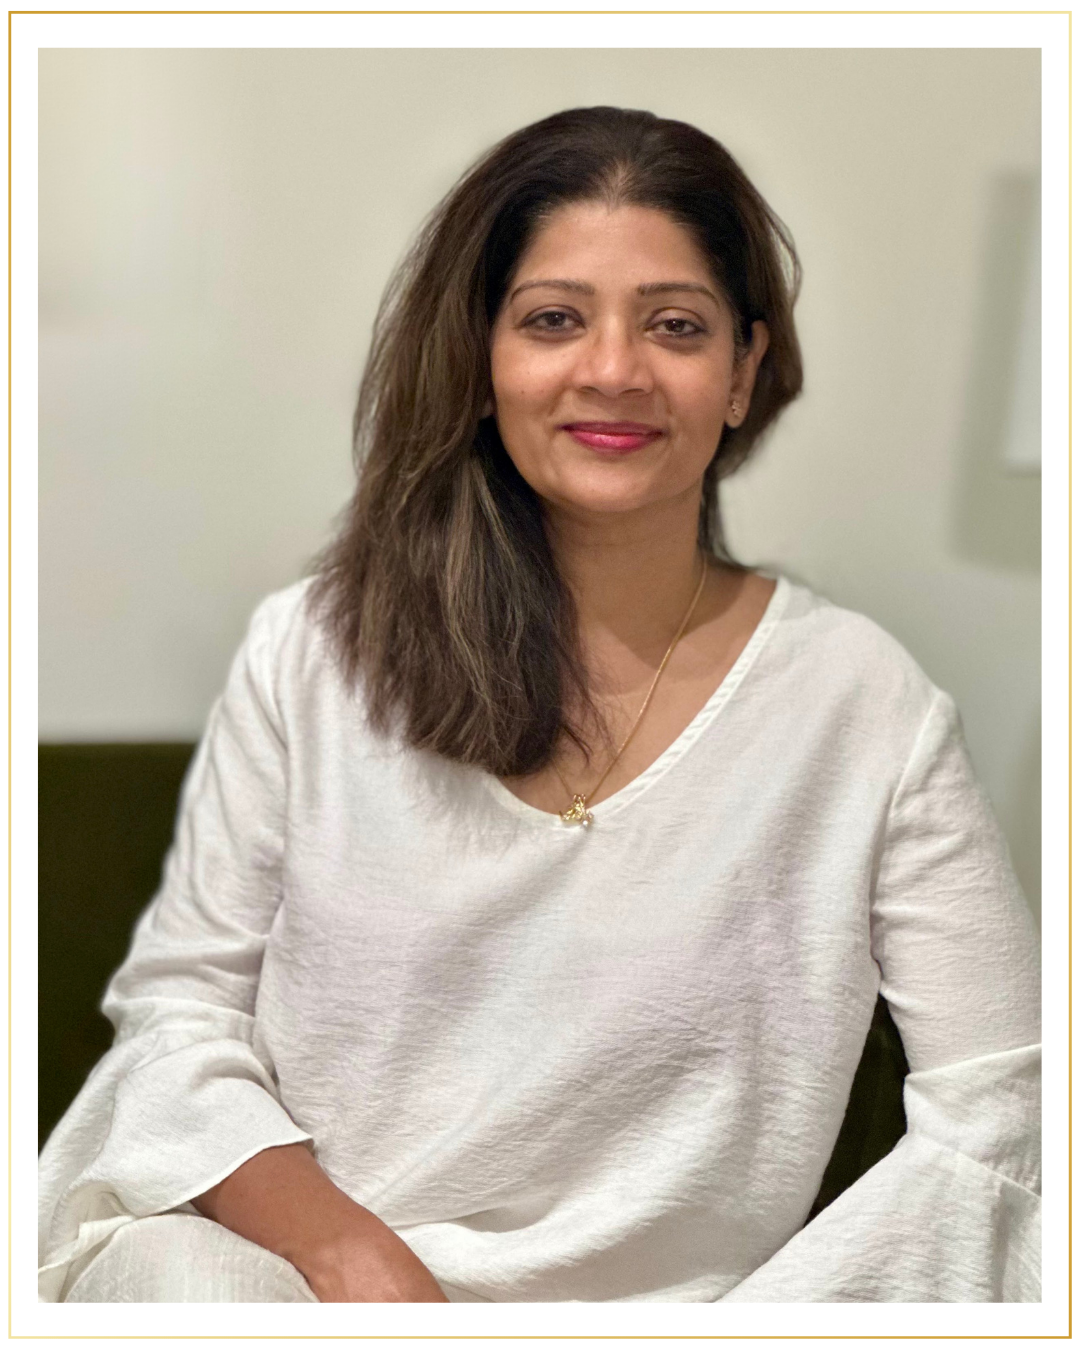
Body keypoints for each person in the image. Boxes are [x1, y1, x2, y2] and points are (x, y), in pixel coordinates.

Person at [38, 106, 1041, 1306]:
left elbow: (989, 1115)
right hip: (306, 1295)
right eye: (553, 319)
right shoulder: (308, 656)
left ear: (744, 374)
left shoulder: (867, 708)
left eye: (676, 326)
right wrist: (360, 1265)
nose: (612, 369)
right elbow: (179, 1022)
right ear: (479, 359)